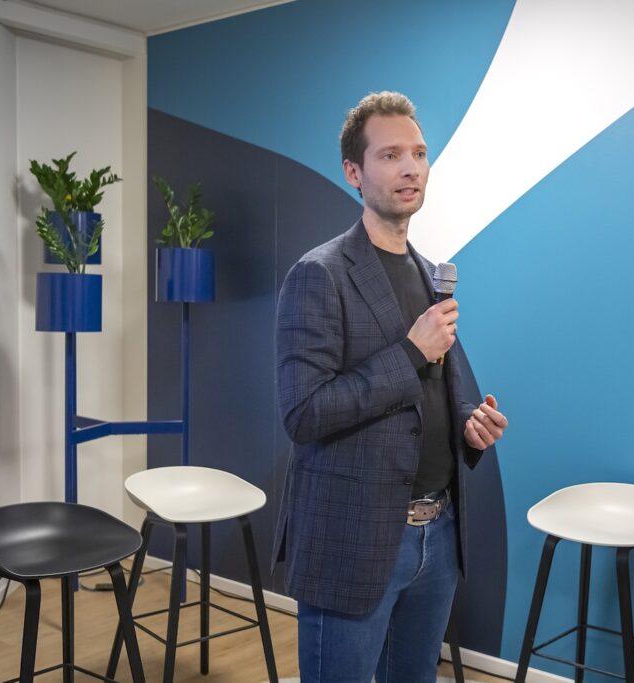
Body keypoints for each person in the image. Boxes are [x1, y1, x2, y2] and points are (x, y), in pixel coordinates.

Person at [273, 91, 508, 682]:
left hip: (439, 534)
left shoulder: (431, 275)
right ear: (353, 172)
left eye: (419, 154)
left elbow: (433, 393)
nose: (411, 168)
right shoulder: (319, 274)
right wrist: (409, 351)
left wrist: (470, 427)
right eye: (390, 155)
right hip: (353, 539)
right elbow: (304, 413)